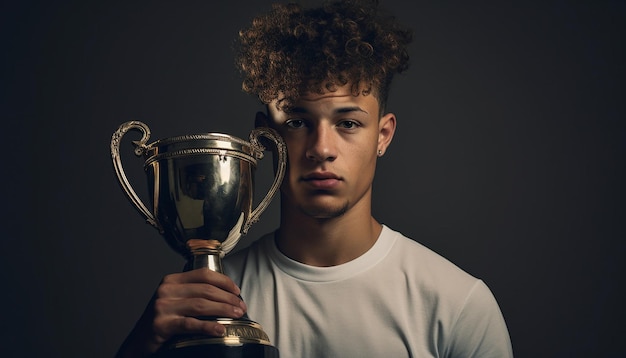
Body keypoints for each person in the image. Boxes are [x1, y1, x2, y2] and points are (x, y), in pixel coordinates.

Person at [116, 0, 514, 357]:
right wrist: (138, 348)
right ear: (264, 139)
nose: (321, 148)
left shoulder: (457, 305)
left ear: (383, 135)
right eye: (297, 121)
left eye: (348, 123)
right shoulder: (207, 302)